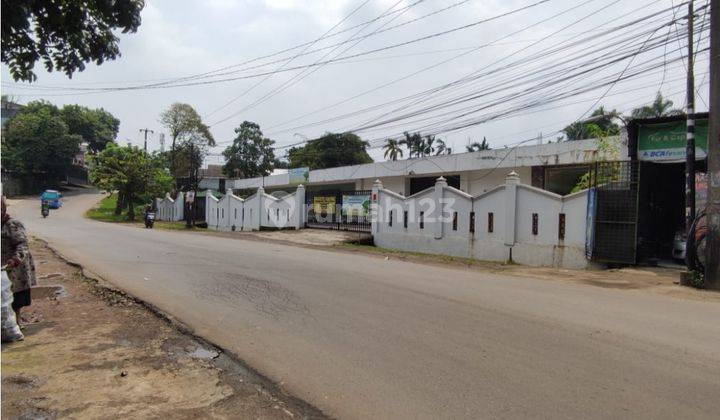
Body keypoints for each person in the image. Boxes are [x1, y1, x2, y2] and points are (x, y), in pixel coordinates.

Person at [1, 196, 37, 322]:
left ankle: (16, 322)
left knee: (14, 298)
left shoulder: (12, 225)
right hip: (3, 268)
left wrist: (15, 260)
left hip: (15, 268)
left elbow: (22, 245)